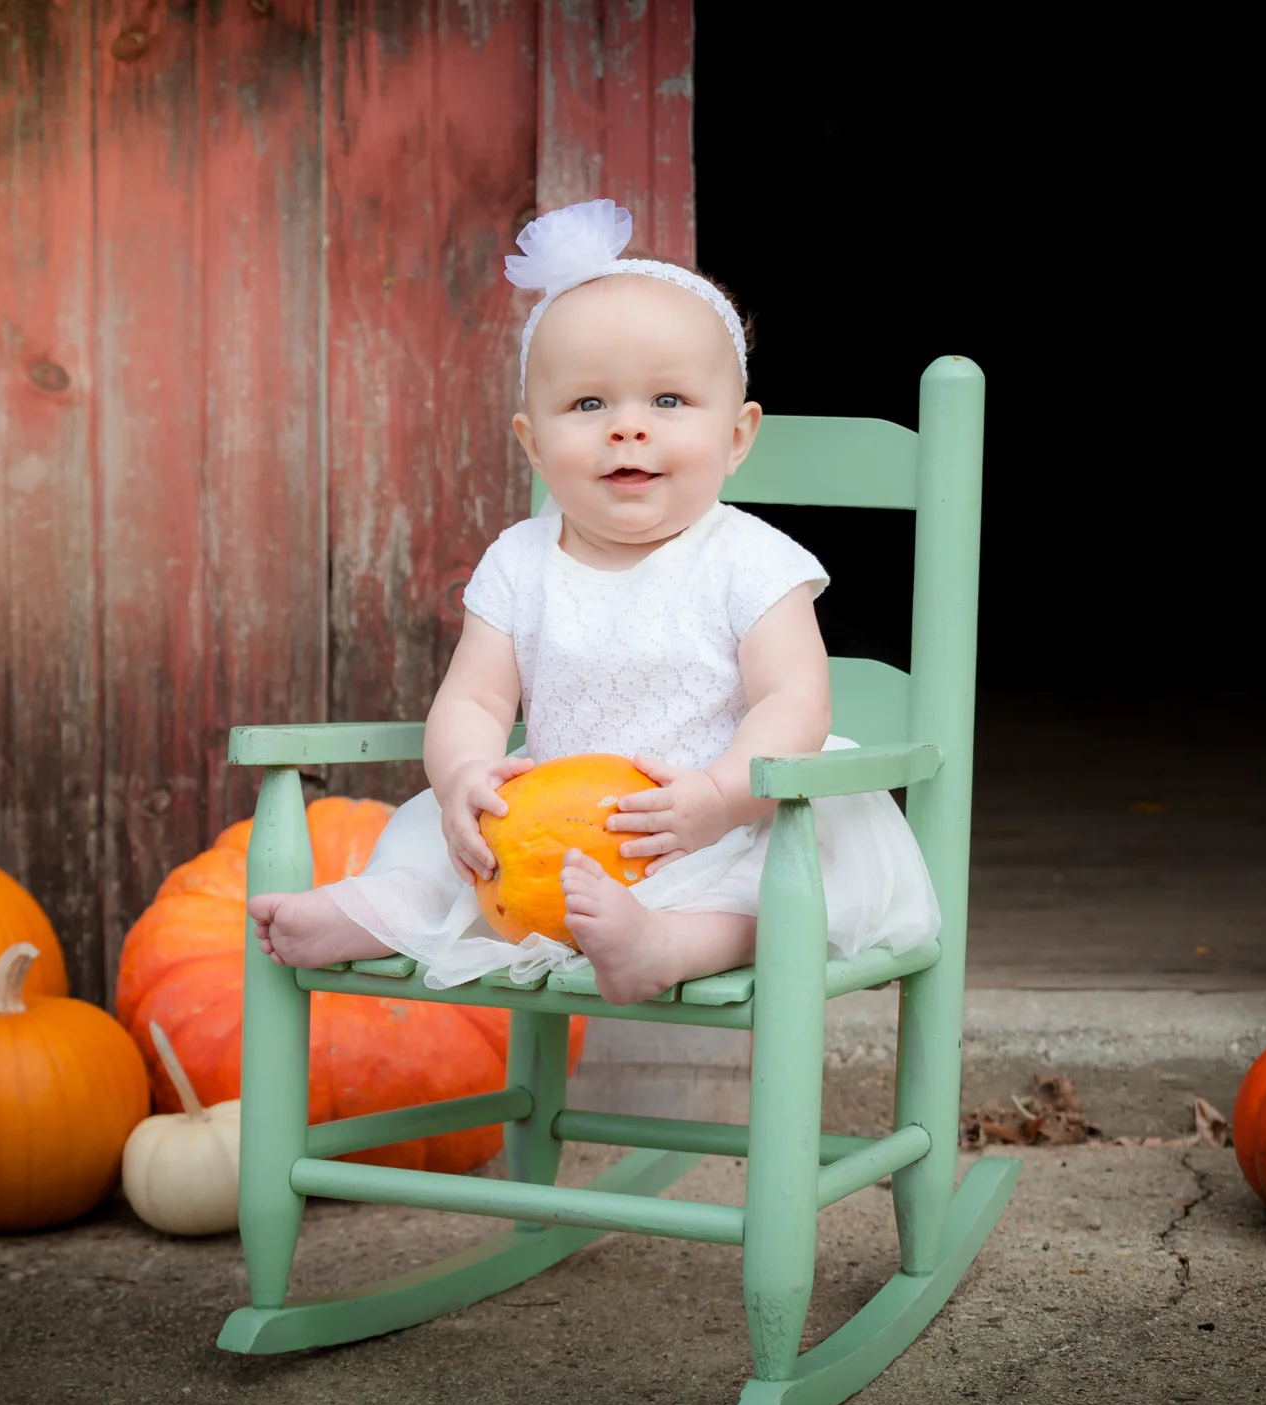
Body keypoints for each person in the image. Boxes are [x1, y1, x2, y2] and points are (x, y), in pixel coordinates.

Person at [247, 199, 938, 1006]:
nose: (627, 430)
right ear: (534, 443)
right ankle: (373, 911)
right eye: (587, 405)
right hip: (546, 839)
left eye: (668, 402)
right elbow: (472, 696)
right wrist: (463, 771)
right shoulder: (519, 561)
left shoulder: (749, 560)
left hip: (710, 825)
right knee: (445, 851)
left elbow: (794, 701)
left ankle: (662, 947)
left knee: (761, 895)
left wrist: (716, 799)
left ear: (739, 437)